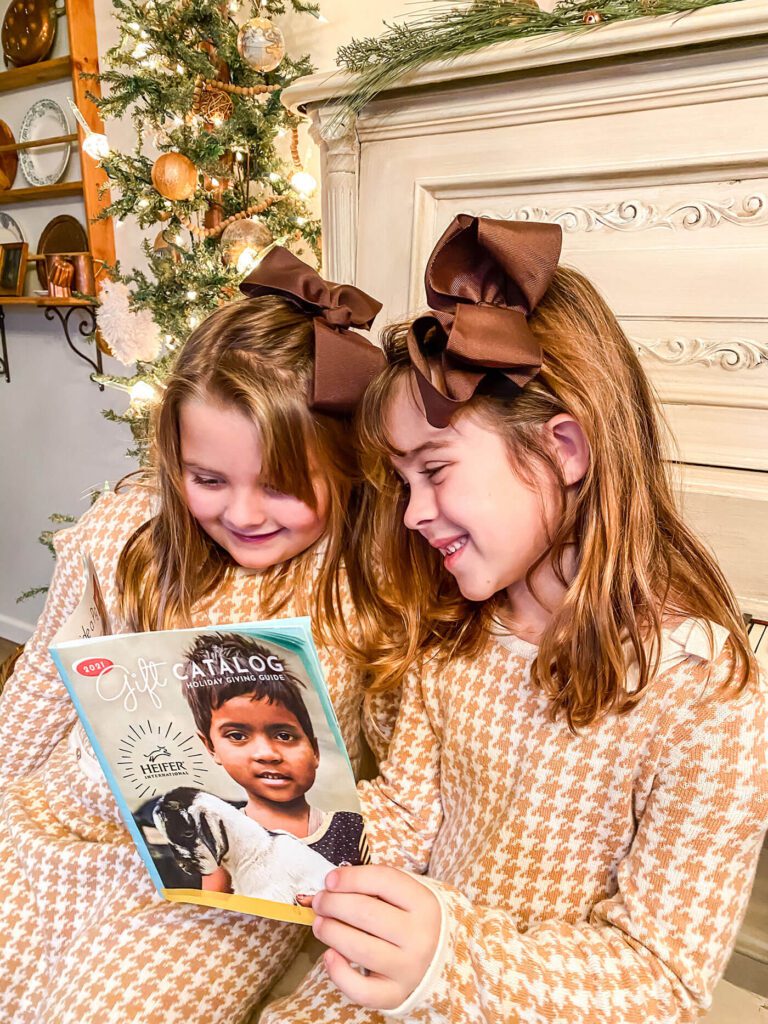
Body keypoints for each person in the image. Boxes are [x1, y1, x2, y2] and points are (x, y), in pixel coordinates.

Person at [260, 215, 768, 1023]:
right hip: (403, 978)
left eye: (434, 472)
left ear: (565, 448)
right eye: (402, 482)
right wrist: (293, 829)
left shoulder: (707, 696)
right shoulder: (454, 629)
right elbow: (411, 814)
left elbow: (661, 981)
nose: (413, 515)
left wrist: (450, 959)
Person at [0, 248, 397, 1024]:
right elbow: (41, 692)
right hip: (72, 818)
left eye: (280, 487)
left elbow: (400, 776)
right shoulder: (127, 538)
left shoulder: (366, 582)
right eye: (208, 479)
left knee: (112, 1010)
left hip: (229, 882)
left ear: (346, 467)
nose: (243, 514)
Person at [180, 630, 369, 882]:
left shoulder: (351, 828)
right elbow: (218, 908)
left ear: (314, 750)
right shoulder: (221, 835)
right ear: (211, 747)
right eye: (237, 736)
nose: (267, 754)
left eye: (284, 736)